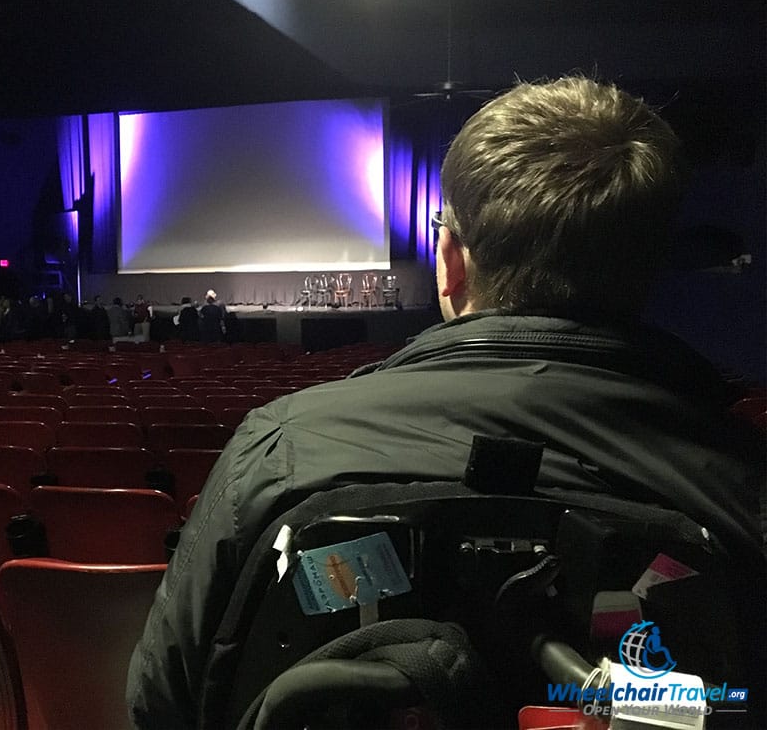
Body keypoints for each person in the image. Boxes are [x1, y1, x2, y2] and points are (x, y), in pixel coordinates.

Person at [126, 77, 765, 729]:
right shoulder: (744, 483)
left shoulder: (279, 447)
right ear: (650, 271)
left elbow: (160, 703)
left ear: (451, 261)